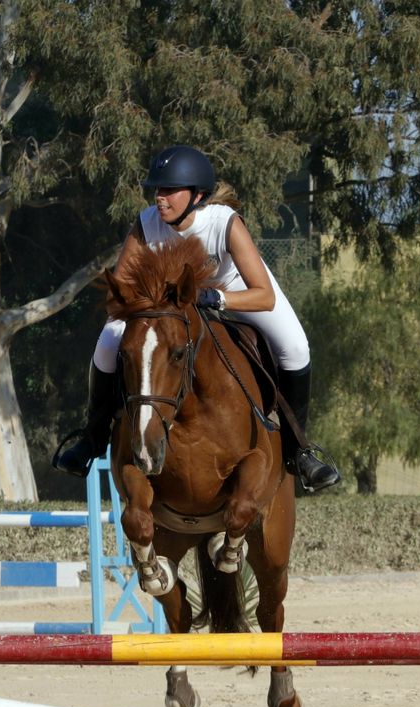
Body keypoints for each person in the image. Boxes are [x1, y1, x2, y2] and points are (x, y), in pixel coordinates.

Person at [52, 145, 341, 492]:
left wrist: (216, 297)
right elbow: (122, 289)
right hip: (167, 306)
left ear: (197, 195)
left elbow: (263, 295)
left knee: (295, 348)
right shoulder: (146, 224)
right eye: (158, 190)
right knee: (106, 344)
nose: (160, 199)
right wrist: (144, 304)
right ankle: (92, 438)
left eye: (169, 191)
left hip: (234, 291)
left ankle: (299, 452)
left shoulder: (224, 223)